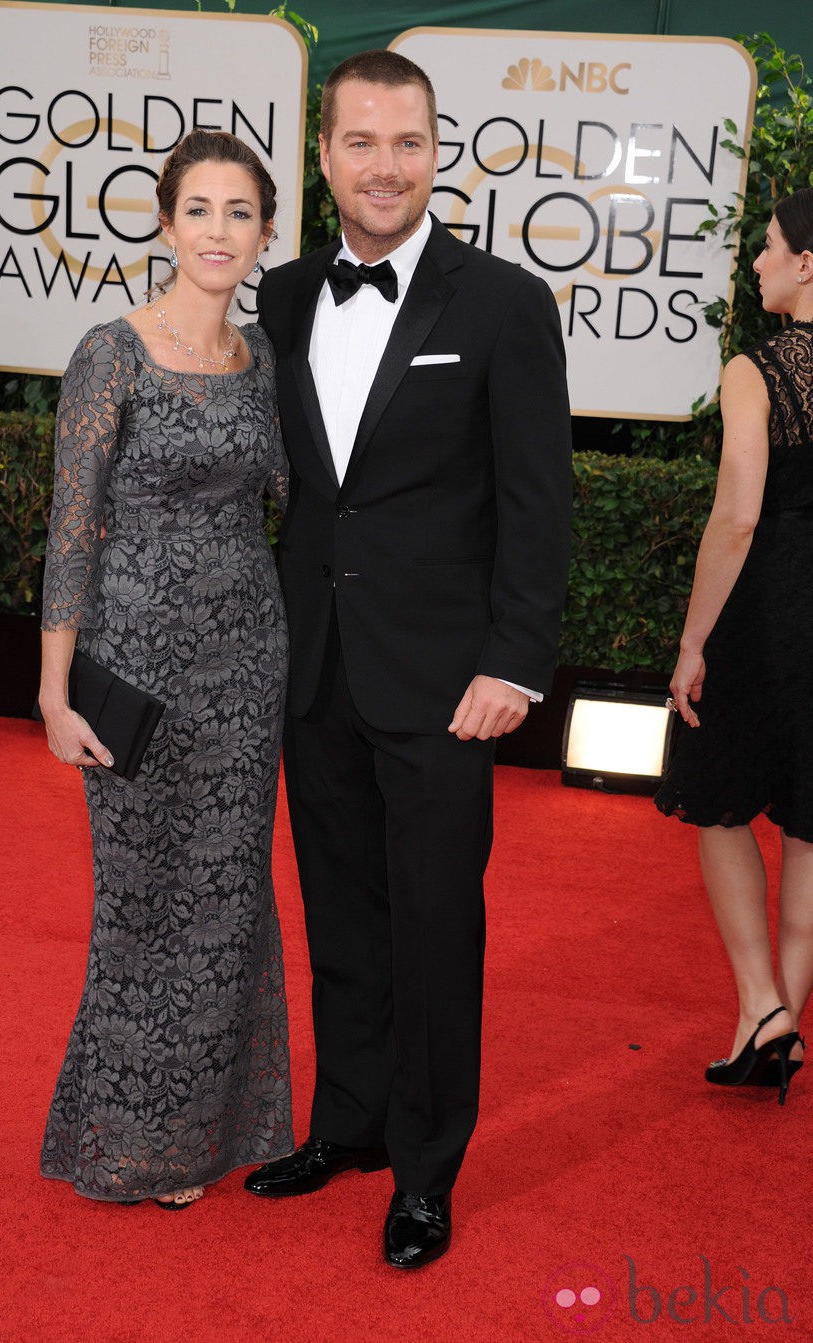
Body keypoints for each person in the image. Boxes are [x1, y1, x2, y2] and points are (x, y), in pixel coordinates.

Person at [243, 50, 572, 1267]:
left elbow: (538, 502)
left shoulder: (501, 303)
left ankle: (425, 1172)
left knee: (436, 926)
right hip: (313, 665)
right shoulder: (280, 299)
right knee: (340, 912)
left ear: (437, 152)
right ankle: (350, 1124)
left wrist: (515, 660)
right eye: (360, 142)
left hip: (445, 685)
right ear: (322, 155)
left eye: (408, 142)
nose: (385, 166)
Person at [37, 130, 293, 1209]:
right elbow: (71, 524)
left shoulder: (260, 355)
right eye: (200, 210)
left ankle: (207, 1134)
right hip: (134, 664)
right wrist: (51, 690)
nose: (219, 232)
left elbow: (278, 491)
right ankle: (129, 1138)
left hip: (248, 663)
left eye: (240, 213)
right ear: (163, 220)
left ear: (265, 231)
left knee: (227, 897)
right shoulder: (113, 350)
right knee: (140, 898)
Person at [656, 185, 813, 1106]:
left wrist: (693, 640)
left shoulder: (757, 369)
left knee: (717, 797)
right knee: (812, 819)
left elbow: (739, 512)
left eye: (767, 247)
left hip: (775, 608)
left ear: (807, 263)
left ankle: (763, 1004)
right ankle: (778, 1022)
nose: (754, 262)